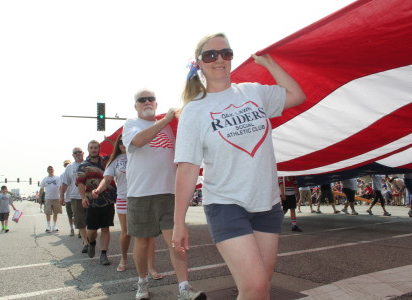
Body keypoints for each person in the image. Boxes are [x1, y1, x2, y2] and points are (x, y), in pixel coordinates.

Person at [173, 33, 305, 300]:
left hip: (267, 203)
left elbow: (296, 96)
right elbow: (187, 169)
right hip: (225, 203)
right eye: (211, 55)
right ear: (199, 63)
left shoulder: (253, 91)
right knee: (255, 286)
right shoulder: (193, 111)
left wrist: (269, 64)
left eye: (226, 53)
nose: (219, 59)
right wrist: (179, 222)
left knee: (261, 286)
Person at [123, 88, 203, 300]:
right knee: (142, 242)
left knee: (175, 242)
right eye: (142, 100)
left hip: (169, 194)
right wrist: (165, 120)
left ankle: (184, 288)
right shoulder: (131, 125)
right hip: (141, 194)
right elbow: (138, 142)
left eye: (151, 99)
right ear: (136, 105)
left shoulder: (170, 128)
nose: (147, 102)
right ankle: (142, 282)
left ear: (156, 103)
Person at [93, 134, 163, 278]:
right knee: (127, 232)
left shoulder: (139, 155)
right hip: (124, 198)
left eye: (126, 141)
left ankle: (151, 267)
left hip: (143, 196)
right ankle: (124, 258)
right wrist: (98, 190)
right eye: (121, 142)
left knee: (147, 234)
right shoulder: (114, 162)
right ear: (118, 145)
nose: (123, 144)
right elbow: (106, 180)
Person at [77, 140, 116, 266]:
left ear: (99, 148)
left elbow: (118, 151)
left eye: (96, 147)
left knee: (105, 228)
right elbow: (80, 183)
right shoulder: (83, 166)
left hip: (107, 200)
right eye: (91, 148)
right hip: (91, 201)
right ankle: (91, 242)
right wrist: (83, 198)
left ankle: (104, 254)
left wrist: (111, 141)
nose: (94, 150)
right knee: (92, 230)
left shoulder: (106, 162)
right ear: (88, 149)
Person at [61, 147, 89, 253]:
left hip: (89, 196)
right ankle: (86, 242)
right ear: (72, 155)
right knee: (80, 222)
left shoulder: (88, 164)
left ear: (83, 153)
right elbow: (65, 183)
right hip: (75, 198)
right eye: (75, 153)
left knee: (90, 221)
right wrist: (61, 196)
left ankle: (88, 239)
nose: (77, 154)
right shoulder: (69, 167)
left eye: (79, 152)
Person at [39, 166, 62, 232]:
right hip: (48, 198)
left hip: (56, 198)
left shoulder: (57, 178)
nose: (50, 170)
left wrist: (62, 196)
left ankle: (54, 225)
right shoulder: (45, 179)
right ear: (47, 171)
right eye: (49, 169)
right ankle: (48, 226)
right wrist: (40, 197)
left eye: (51, 169)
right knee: (48, 212)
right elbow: (41, 188)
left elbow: (60, 187)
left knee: (56, 212)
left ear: (53, 170)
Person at [59, 159, 75, 236]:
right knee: (70, 214)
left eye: (68, 164)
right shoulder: (62, 175)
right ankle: (71, 228)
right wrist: (61, 196)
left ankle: (79, 229)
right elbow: (60, 186)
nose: (66, 165)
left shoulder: (73, 172)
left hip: (75, 196)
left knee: (77, 214)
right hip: (67, 198)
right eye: (65, 164)